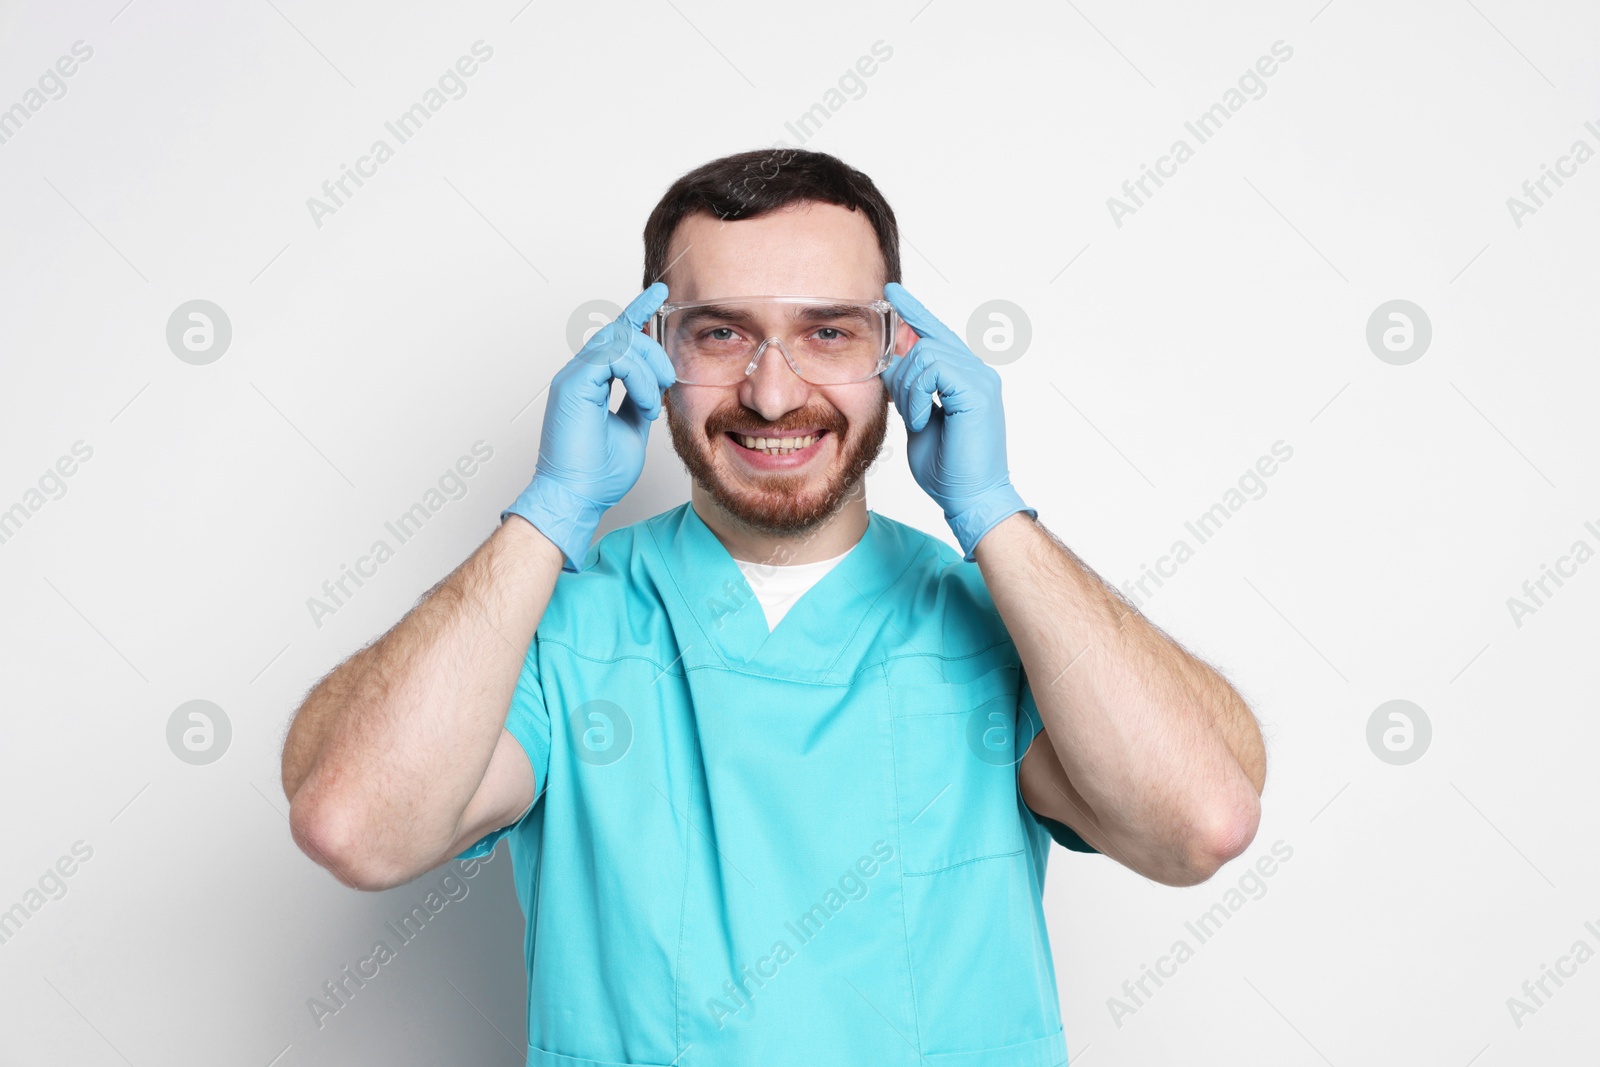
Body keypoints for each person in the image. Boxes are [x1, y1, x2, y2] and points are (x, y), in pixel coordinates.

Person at [281, 148, 1267, 1066]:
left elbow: (1201, 821)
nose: (769, 389)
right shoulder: (555, 625)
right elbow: (357, 826)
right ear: (649, 348)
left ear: (900, 351)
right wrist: (550, 508)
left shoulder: (1000, 625)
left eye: (827, 332)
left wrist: (993, 512)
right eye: (720, 333)